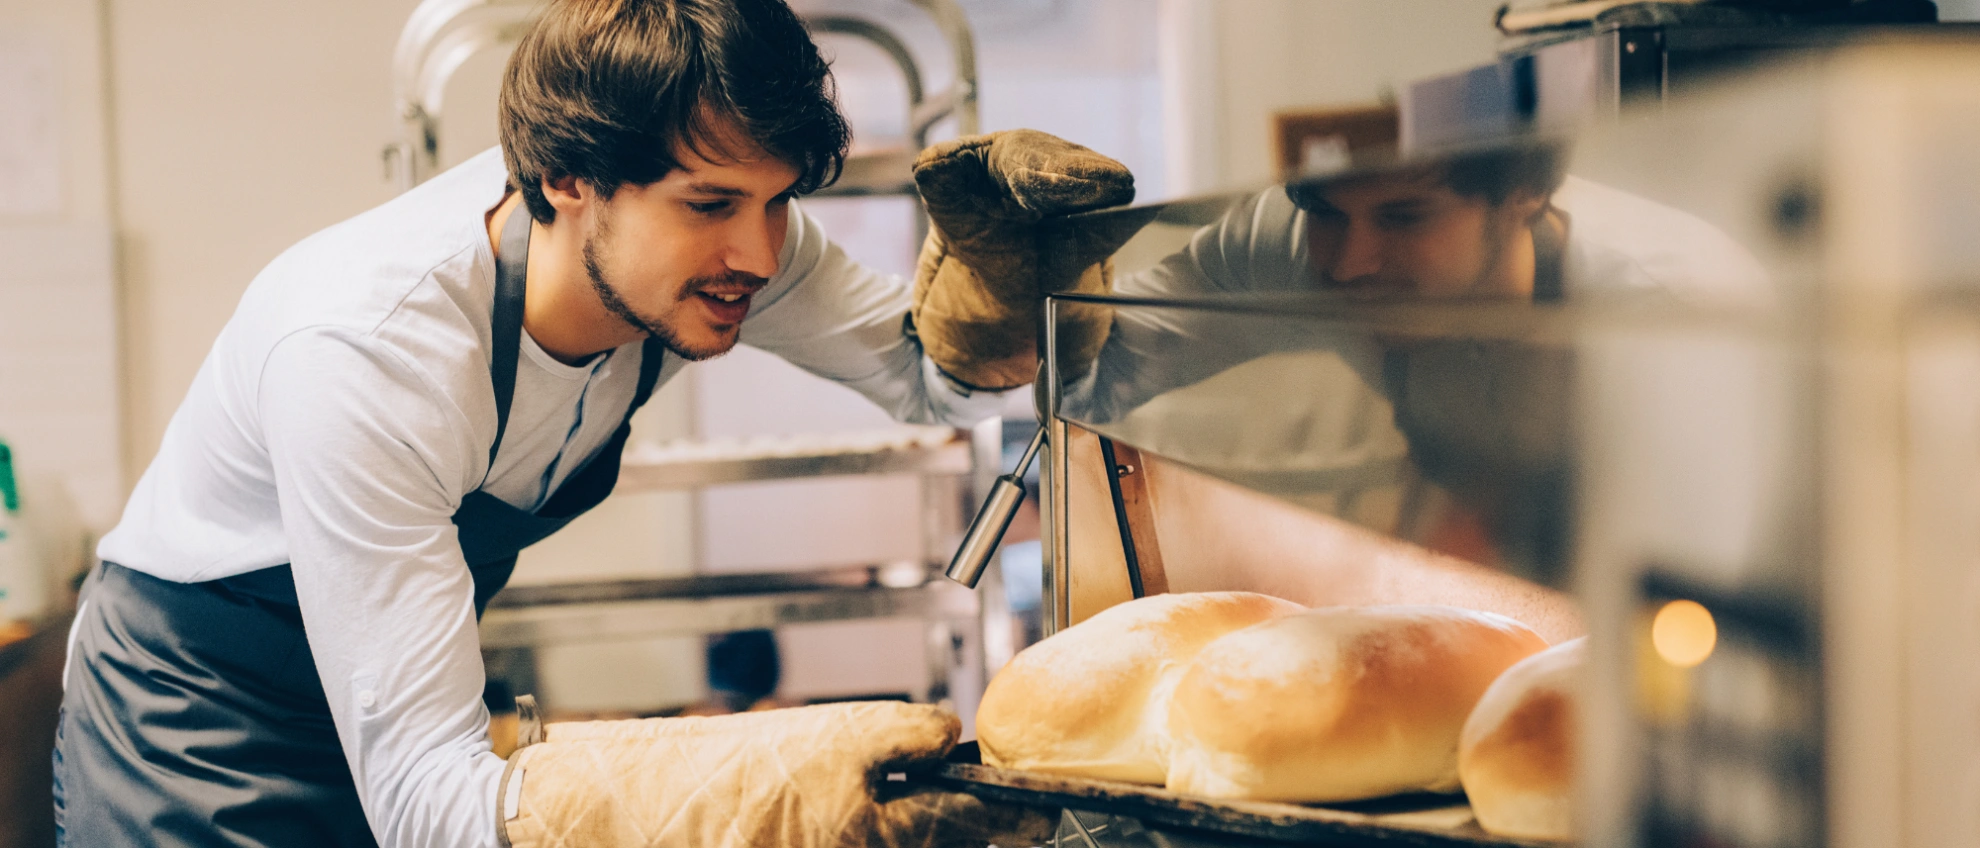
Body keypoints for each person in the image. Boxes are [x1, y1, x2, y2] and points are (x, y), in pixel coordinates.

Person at [53, 1, 1129, 845]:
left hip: (382, 705)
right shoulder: (371, 354)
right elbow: (432, 809)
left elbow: (933, 382)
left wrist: (993, 288)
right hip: (196, 708)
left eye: (777, 199)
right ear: (569, 178)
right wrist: (744, 783)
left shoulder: (736, 251)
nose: (759, 253)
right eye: (711, 204)